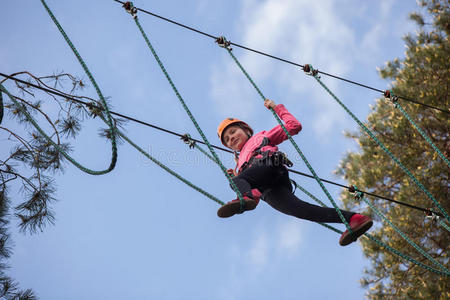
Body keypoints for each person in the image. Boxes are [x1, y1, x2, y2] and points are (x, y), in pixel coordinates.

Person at [216, 99, 373, 246]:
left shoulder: (260, 137)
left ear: (246, 130)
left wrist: (278, 109)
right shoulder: (240, 166)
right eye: (228, 139)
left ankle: (242, 197)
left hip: (270, 165)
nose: (231, 138)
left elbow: (294, 126)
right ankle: (354, 219)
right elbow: (254, 200)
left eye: (233, 132)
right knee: (300, 210)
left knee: (237, 183)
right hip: (269, 190)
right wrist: (239, 181)